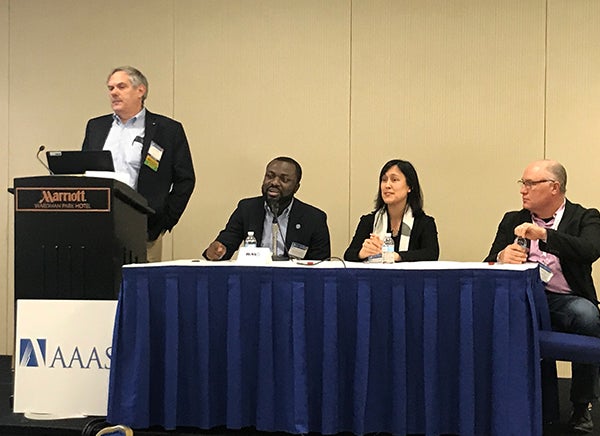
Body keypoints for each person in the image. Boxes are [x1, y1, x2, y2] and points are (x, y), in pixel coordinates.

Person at [484, 159, 600, 433]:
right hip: (522, 298)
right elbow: (488, 261)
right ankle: (502, 401)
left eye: (530, 184)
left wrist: (545, 235)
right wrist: (502, 257)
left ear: (554, 187)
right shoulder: (512, 219)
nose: (523, 190)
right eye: (522, 183)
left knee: (587, 316)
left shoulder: (585, 217)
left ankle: (581, 403)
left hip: (564, 299)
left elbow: (588, 250)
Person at [82, 66, 195, 262]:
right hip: (98, 224)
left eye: (121, 86)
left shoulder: (167, 130)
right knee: (100, 287)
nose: (114, 93)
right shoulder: (96, 127)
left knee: (142, 288)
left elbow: (185, 179)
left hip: (143, 227)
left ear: (140, 90)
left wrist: (165, 219)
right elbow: (84, 170)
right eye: (110, 88)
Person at [203, 156, 330, 261]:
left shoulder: (314, 218)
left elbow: (322, 264)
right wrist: (217, 250)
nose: (274, 182)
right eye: (270, 176)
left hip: (294, 284)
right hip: (255, 280)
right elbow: (227, 241)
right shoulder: (247, 208)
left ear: (296, 187)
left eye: (284, 179)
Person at [344, 159, 439, 262]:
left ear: (409, 187)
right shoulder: (369, 221)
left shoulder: (424, 223)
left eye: (394, 180)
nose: (387, 185)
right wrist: (362, 253)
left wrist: (397, 256)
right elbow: (348, 255)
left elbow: (431, 254)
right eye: (384, 180)